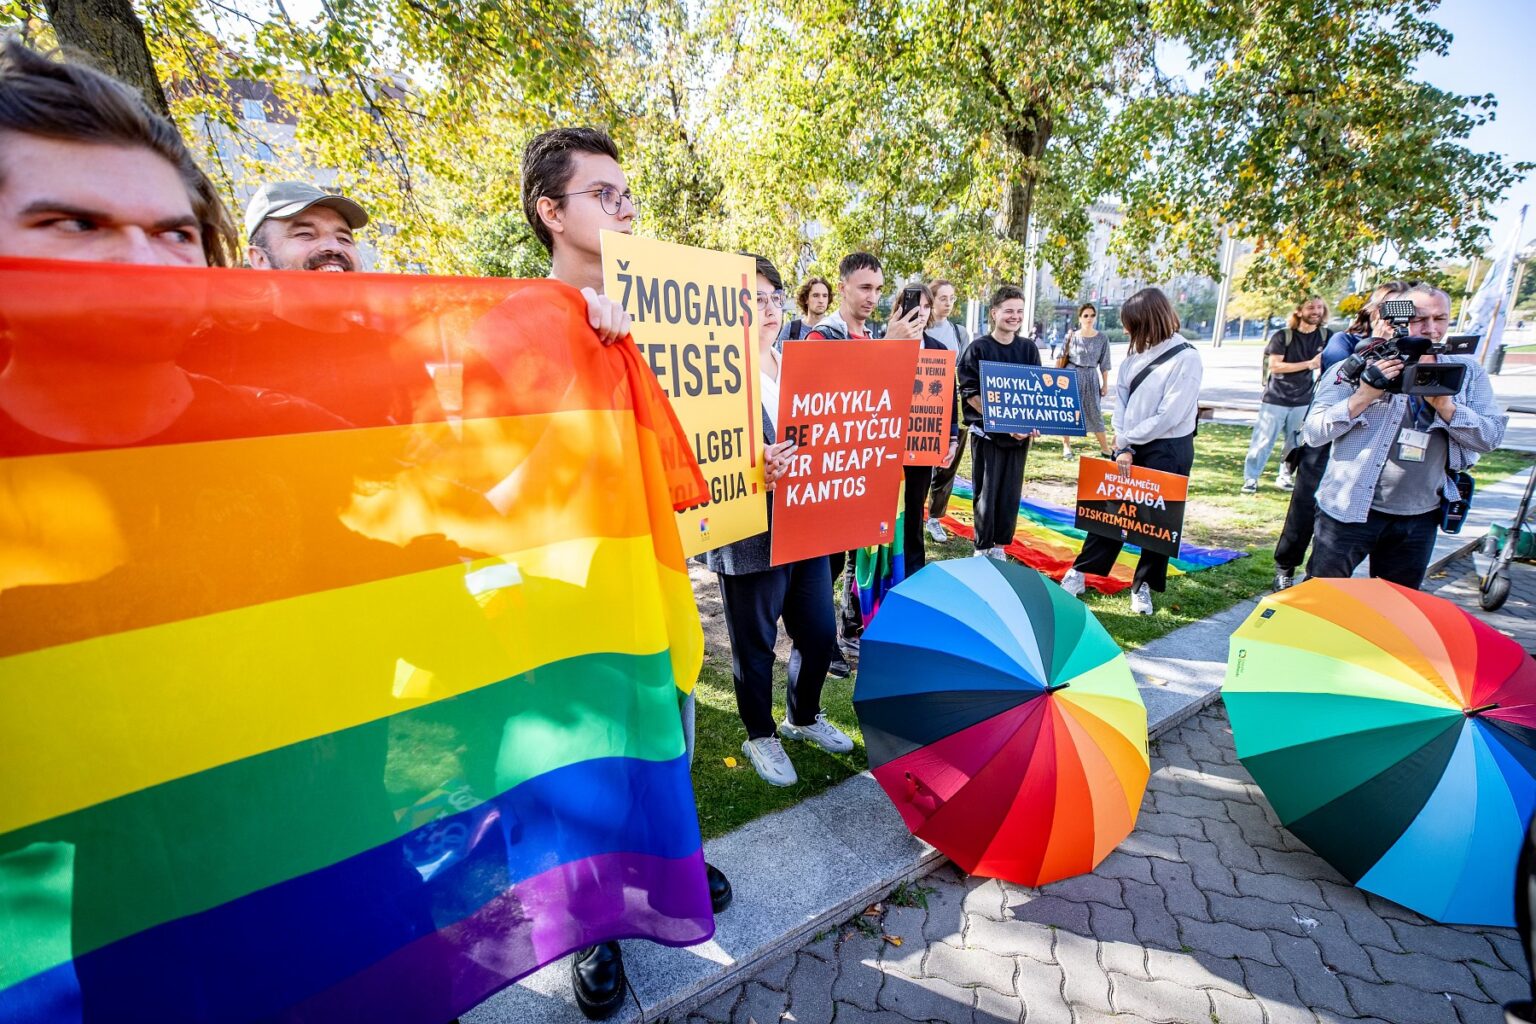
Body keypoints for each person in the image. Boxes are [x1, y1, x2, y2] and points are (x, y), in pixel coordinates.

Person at [521, 125, 729, 1019]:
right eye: (604, 195)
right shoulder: (527, 327)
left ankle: (665, 865)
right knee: (584, 762)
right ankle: (592, 928)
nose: (626, 208)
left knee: (661, 732)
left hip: (646, 575)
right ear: (550, 212)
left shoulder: (621, 327)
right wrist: (571, 329)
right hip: (570, 596)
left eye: (626, 194)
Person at [709, 254, 852, 787]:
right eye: (755, 299)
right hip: (747, 532)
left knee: (818, 635)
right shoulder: (715, 368)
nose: (768, 309)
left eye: (773, 297)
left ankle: (802, 717)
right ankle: (759, 734)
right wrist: (753, 466)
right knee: (756, 644)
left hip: (804, 524)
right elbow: (705, 453)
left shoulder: (793, 364)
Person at [1300, 282, 1505, 590]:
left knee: (1397, 612)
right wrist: (1363, 396)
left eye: (1440, 319)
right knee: (1319, 601)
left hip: (1419, 517)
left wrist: (1447, 408)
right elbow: (1313, 433)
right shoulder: (1356, 367)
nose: (1430, 329)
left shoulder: (1467, 373)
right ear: (1396, 317)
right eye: (1420, 318)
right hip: (1348, 509)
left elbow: (1490, 437)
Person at [804, 252, 925, 666]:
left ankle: (845, 629)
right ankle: (821, 643)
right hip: (831, 477)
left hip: (867, 470)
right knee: (829, 565)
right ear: (842, 287)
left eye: (878, 288)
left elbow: (886, 401)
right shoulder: (822, 337)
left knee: (858, 558)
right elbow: (825, 403)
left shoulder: (872, 338)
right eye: (864, 288)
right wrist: (889, 349)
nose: (873, 297)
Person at [1061, 288, 1202, 615]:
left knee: (1157, 520)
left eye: (1131, 324)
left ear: (1148, 321)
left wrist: (1128, 441)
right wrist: (1123, 442)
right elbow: (1121, 401)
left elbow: (1170, 414)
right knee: (1110, 512)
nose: (1126, 331)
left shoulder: (1186, 357)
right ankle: (1081, 572)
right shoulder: (1135, 355)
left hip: (1168, 447)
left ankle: (1143, 586)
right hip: (1128, 445)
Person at [1271, 287, 1389, 589]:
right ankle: (1286, 566)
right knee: (1304, 508)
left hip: (1363, 451)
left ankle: (1317, 575)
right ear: (1373, 312)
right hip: (1324, 442)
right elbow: (1337, 378)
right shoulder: (1344, 342)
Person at [956, 285, 1041, 561]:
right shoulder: (978, 348)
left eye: (1019, 311)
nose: (1014, 316)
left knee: (1010, 491)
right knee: (987, 491)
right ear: (994, 313)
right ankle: (982, 547)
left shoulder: (1028, 349)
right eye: (1008, 311)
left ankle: (1000, 547)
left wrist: (1034, 423)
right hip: (989, 436)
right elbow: (970, 395)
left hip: (1019, 439)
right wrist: (1004, 424)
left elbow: (1037, 392)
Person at [898, 283, 960, 572]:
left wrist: (952, 438)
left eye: (925, 306)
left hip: (921, 448)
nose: (920, 312)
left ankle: (912, 572)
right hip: (887, 447)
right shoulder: (885, 343)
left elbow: (950, 398)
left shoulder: (939, 349)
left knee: (914, 510)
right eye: (913, 305)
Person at [1242, 296, 1330, 494]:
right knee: (1263, 441)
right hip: (1276, 398)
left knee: (1294, 443)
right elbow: (1275, 365)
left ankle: (1285, 476)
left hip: (1304, 399)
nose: (1316, 311)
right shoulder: (1283, 336)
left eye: (1319, 307)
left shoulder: (1326, 336)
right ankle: (1250, 478)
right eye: (1311, 307)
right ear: (1299, 311)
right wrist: (1309, 364)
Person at [924, 279, 970, 542]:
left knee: (946, 464)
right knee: (919, 468)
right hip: (923, 404)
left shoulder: (959, 332)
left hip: (950, 403)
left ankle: (935, 518)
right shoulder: (918, 328)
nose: (949, 303)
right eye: (943, 298)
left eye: (952, 298)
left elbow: (964, 371)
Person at [1057, 302, 1112, 460]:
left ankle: (1105, 448)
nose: (1089, 318)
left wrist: (1105, 384)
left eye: (1092, 315)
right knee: (1069, 412)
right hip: (1072, 375)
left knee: (1094, 411)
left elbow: (1105, 363)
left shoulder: (1102, 338)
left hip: (1091, 377)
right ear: (1080, 318)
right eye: (1086, 315)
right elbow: (1061, 356)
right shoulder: (1072, 336)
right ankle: (1066, 446)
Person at [779, 275, 831, 341]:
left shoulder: (836, 331)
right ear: (806, 299)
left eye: (825, 296)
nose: (821, 300)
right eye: (815, 295)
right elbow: (777, 351)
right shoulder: (791, 329)